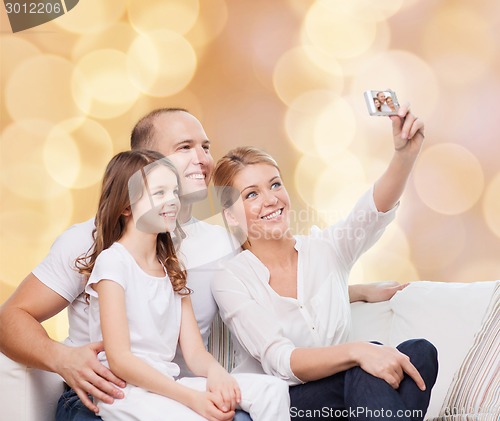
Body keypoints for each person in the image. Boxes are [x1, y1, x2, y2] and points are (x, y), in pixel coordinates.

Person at [0, 108, 251, 420]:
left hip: (177, 398)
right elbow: (10, 318)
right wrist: (61, 357)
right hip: (107, 399)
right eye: (185, 147)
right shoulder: (90, 243)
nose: (202, 158)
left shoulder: (222, 243)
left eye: (205, 147)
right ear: (144, 160)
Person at [211, 104, 438, 420]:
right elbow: (281, 361)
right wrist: (357, 350)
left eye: (275, 184)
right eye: (251, 194)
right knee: (367, 363)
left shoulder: (326, 250)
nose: (271, 199)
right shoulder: (231, 278)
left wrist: (404, 155)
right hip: (284, 403)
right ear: (231, 215)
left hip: (347, 396)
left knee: (420, 353)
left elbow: (370, 215)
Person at [79, 149, 290, 420]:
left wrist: (217, 375)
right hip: (124, 391)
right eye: (159, 193)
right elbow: (120, 360)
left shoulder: (172, 267)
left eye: (174, 192)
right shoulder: (113, 262)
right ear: (126, 206)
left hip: (167, 383)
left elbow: (194, 352)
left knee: (272, 390)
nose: (172, 201)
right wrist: (192, 399)